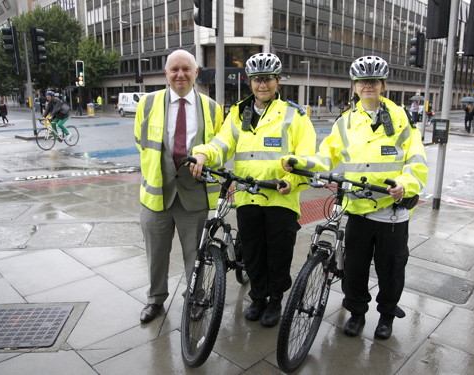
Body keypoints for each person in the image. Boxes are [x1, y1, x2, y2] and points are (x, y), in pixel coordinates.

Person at [282, 56, 428, 339]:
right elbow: (325, 156)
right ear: (355, 87)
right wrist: (299, 162)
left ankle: (386, 315)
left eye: (373, 81)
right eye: (363, 81)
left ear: (383, 84)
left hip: (392, 212)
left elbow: (417, 160)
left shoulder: (401, 119)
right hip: (358, 209)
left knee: (391, 269)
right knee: (355, 268)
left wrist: (405, 184)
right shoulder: (345, 122)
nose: (368, 86)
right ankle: (357, 312)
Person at [190, 53, 316, 328]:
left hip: (280, 198)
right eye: (258, 79)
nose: (263, 85)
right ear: (249, 82)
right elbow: (222, 144)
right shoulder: (238, 113)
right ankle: (258, 297)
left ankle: (275, 300)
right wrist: (202, 155)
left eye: (268, 79)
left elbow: (306, 157)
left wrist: (291, 180)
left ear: (277, 81)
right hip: (247, 196)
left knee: (278, 253)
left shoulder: (295, 115)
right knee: (254, 252)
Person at [134, 49, 223, 324]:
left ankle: (195, 298)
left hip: (193, 195)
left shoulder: (212, 107)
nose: (180, 74)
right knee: (156, 254)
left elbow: (218, 147)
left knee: (195, 256)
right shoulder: (147, 103)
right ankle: (155, 300)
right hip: (156, 194)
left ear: (196, 73)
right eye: (174, 69)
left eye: (186, 69)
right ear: (166, 74)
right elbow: (140, 140)